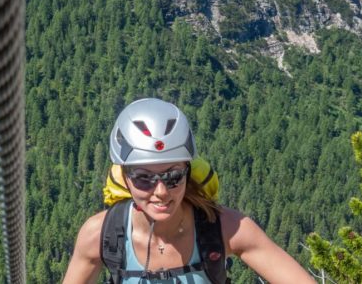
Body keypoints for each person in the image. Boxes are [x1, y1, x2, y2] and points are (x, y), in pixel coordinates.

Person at [63, 98, 315, 284]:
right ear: (124, 177)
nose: (161, 191)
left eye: (173, 176)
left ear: (187, 171)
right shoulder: (100, 235)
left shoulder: (227, 228)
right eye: (143, 178)